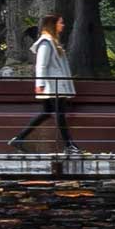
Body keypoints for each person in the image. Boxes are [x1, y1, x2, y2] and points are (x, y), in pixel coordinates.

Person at [7, 14, 78, 154]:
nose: (62, 25)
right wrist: (40, 84)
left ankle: (19, 139)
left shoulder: (53, 41)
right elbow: (41, 65)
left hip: (54, 85)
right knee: (59, 115)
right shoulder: (46, 42)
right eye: (60, 22)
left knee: (47, 113)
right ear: (53, 24)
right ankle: (69, 145)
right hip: (52, 85)